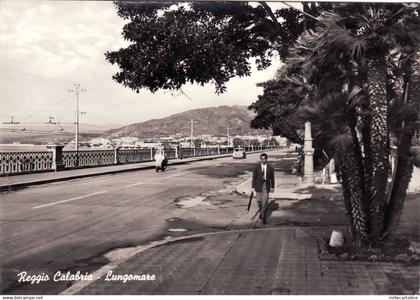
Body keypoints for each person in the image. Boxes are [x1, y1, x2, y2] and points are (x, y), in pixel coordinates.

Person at [252, 153, 275, 224]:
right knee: (259, 201)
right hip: (258, 185)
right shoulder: (256, 167)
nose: (263, 160)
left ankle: (264, 216)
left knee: (265, 202)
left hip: (266, 185)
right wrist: (253, 187)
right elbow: (254, 178)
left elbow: (272, 178)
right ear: (260, 159)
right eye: (262, 159)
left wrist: (272, 187)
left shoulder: (270, 168)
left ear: (266, 159)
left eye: (264, 159)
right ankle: (261, 212)